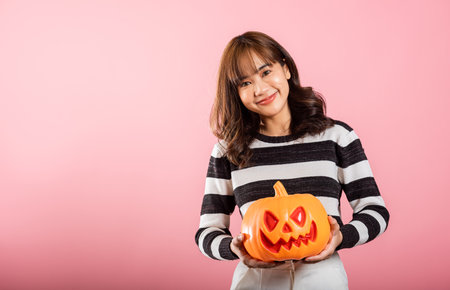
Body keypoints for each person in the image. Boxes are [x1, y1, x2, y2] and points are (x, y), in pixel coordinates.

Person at [194, 31, 389, 290]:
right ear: (236, 92)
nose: (260, 89)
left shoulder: (337, 137)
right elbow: (207, 231)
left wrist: (340, 237)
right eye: (245, 83)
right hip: (256, 281)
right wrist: (234, 248)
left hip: (324, 278)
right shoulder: (227, 151)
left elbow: (376, 211)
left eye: (265, 72)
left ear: (285, 68)